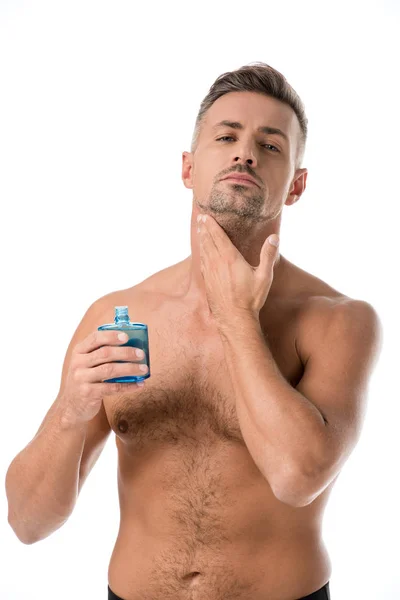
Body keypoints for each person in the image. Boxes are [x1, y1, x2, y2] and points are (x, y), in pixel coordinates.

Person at [6, 62, 382, 600]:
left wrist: (235, 318)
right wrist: (69, 411)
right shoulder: (118, 315)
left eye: (270, 145)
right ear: (188, 168)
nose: (245, 152)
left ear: (297, 185)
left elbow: (297, 478)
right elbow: (26, 523)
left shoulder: (338, 320)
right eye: (226, 136)